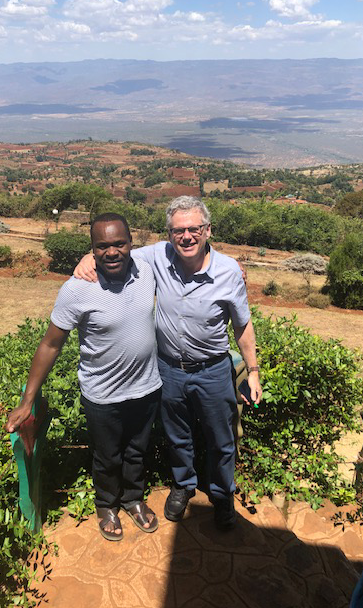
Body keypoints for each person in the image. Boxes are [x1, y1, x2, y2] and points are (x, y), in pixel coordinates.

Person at [74, 196, 262, 530]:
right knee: (178, 436)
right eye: (178, 230)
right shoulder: (158, 255)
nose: (186, 237)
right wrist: (89, 256)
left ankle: (221, 496)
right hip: (169, 370)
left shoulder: (229, 271)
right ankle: (183, 486)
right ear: (169, 234)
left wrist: (254, 371)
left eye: (194, 229)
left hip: (214, 370)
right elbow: (115, 249)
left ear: (207, 231)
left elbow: (242, 325)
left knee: (222, 439)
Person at [6, 213, 162, 541]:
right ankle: (107, 505)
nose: (112, 252)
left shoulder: (146, 269)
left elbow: (185, 245)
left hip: (147, 388)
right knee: (107, 456)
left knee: (137, 451)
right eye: (102, 246)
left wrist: (232, 269)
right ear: (92, 250)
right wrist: (27, 400)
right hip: (103, 395)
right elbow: (50, 344)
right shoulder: (77, 289)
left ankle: (133, 500)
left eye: (119, 243)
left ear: (132, 244)